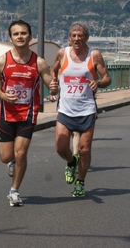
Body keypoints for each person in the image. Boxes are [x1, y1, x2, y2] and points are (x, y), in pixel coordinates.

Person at [0, 19, 58, 207]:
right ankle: (11, 162)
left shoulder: (39, 62)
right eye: (16, 34)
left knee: (21, 153)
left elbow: (51, 87)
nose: (20, 36)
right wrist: (2, 94)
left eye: (23, 33)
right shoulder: (2, 60)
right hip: (5, 114)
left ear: (30, 36)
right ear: (10, 37)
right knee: (6, 157)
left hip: (27, 114)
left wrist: (53, 89)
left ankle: (14, 191)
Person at [50, 22, 111, 197]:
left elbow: (107, 78)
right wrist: (53, 85)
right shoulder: (62, 53)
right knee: (61, 148)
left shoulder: (94, 55)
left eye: (80, 35)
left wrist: (98, 83)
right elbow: (53, 70)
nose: (77, 39)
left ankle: (81, 181)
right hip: (65, 109)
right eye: (74, 35)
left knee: (85, 149)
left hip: (86, 109)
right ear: (69, 38)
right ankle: (71, 162)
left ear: (86, 38)